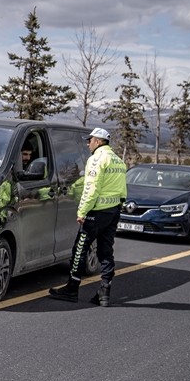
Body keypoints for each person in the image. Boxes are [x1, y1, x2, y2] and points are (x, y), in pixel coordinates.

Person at [50, 127, 127, 307]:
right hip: (113, 211)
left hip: (96, 212)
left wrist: (82, 211)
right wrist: (117, 207)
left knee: (80, 249)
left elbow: (91, 189)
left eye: (90, 140)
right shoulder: (118, 160)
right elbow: (123, 190)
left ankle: (72, 288)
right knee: (105, 251)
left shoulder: (96, 159)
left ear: (98, 141)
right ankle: (104, 291)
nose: (87, 144)